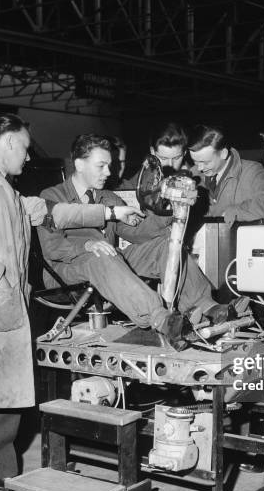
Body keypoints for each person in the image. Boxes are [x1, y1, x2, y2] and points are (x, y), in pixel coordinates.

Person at [0, 114, 143, 491]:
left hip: (7, 306)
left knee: (9, 397)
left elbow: (57, 213)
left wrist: (112, 215)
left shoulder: (9, 192)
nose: (28, 156)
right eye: (26, 147)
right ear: (10, 142)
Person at [37, 133, 234, 351]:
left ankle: (207, 305)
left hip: (109, 261)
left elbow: (138, 232)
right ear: (79, 164)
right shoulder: (51, 196)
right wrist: (87, 245)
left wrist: (171, 206)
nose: (108, 172)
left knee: (166, 243)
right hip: (65, 272)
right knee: (103, 254)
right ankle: (162, 319)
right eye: (101, 166)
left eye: (109, 165)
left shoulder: (108, 198)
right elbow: (52, 247)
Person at [188, 124, 264, 225]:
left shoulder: (251, 171)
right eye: (195, 161)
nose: (199, 168)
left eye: (206, 162)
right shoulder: (192, 175)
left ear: (223, 153)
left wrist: (232, 213)